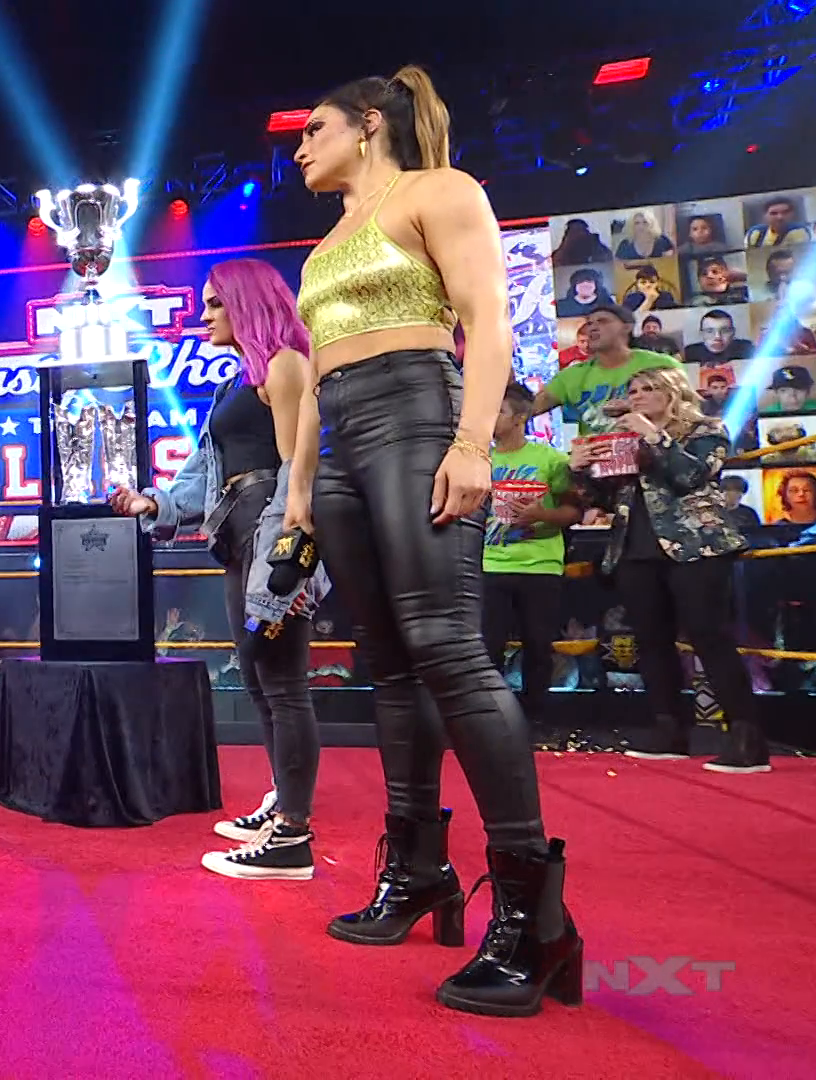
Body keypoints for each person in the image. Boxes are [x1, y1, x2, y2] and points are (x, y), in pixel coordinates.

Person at [284, 65, 579, 1017]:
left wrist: (472, 444)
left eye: (315, 127)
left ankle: (534, 917)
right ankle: (415, 869)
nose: (300, 145)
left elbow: (489, 322)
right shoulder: (324, 245)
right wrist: (300, 488)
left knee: (447, 647)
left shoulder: (441, 190)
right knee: (387, 663)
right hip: (342, 441)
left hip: (419, 413)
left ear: (369, 123)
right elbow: (317, 376)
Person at [110, 258, 327, 882]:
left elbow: (298, 470)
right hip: (238, 535)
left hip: (270, 536)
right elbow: (207, 472)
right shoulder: (239, 380)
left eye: (214, 303)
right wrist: (156, 504)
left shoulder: (286, 364)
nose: (202, 316)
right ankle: (283, 805)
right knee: (260, 681)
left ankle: (292, 835)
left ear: (247, 302)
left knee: (283, 684)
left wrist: (286, 558)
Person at [571, 366, 771, 773]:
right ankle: (669, 732)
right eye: (633, 390)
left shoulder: (706, 430)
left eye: (649, 388)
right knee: (651, 641)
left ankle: (747, 740)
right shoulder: (621, 439)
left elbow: (690, 476)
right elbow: (604, 497)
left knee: (709, 636)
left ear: (673, 393)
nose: (638, 395)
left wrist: (652, 434)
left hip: (697, 547)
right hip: (635, 548)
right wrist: (580, 467)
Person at [484, 383, 580, 723]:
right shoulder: (477, 459)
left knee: (538, 646)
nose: (489, 417)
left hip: (540, 565)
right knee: (487, 648)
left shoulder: (550, 459)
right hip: (488, 564)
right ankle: (489, 720)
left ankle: (535, 718)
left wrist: (541, 515)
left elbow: (574, 511)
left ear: (520, 417)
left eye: (498, 411)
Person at [531, 304, 680, 436]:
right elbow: (529, 410)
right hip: (595, 455)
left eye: (602, 321)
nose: (592, 328)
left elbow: (685, 410)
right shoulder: (571, 376)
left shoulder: (661, 364)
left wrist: (634, 406)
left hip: (656, 452)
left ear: (627, 327)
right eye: (589, 323)